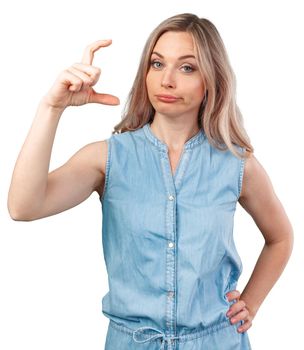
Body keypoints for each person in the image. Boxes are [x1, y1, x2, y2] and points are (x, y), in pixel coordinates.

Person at [7, 12, 293, 350]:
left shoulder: (237, 164)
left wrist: (253, 301)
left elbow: (281, 237)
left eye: (187, 67)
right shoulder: (107, 158)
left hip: (217, 341)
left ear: (211, 80)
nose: (166, 80)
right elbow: (23, 207)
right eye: (157, 64)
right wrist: (51, 107)